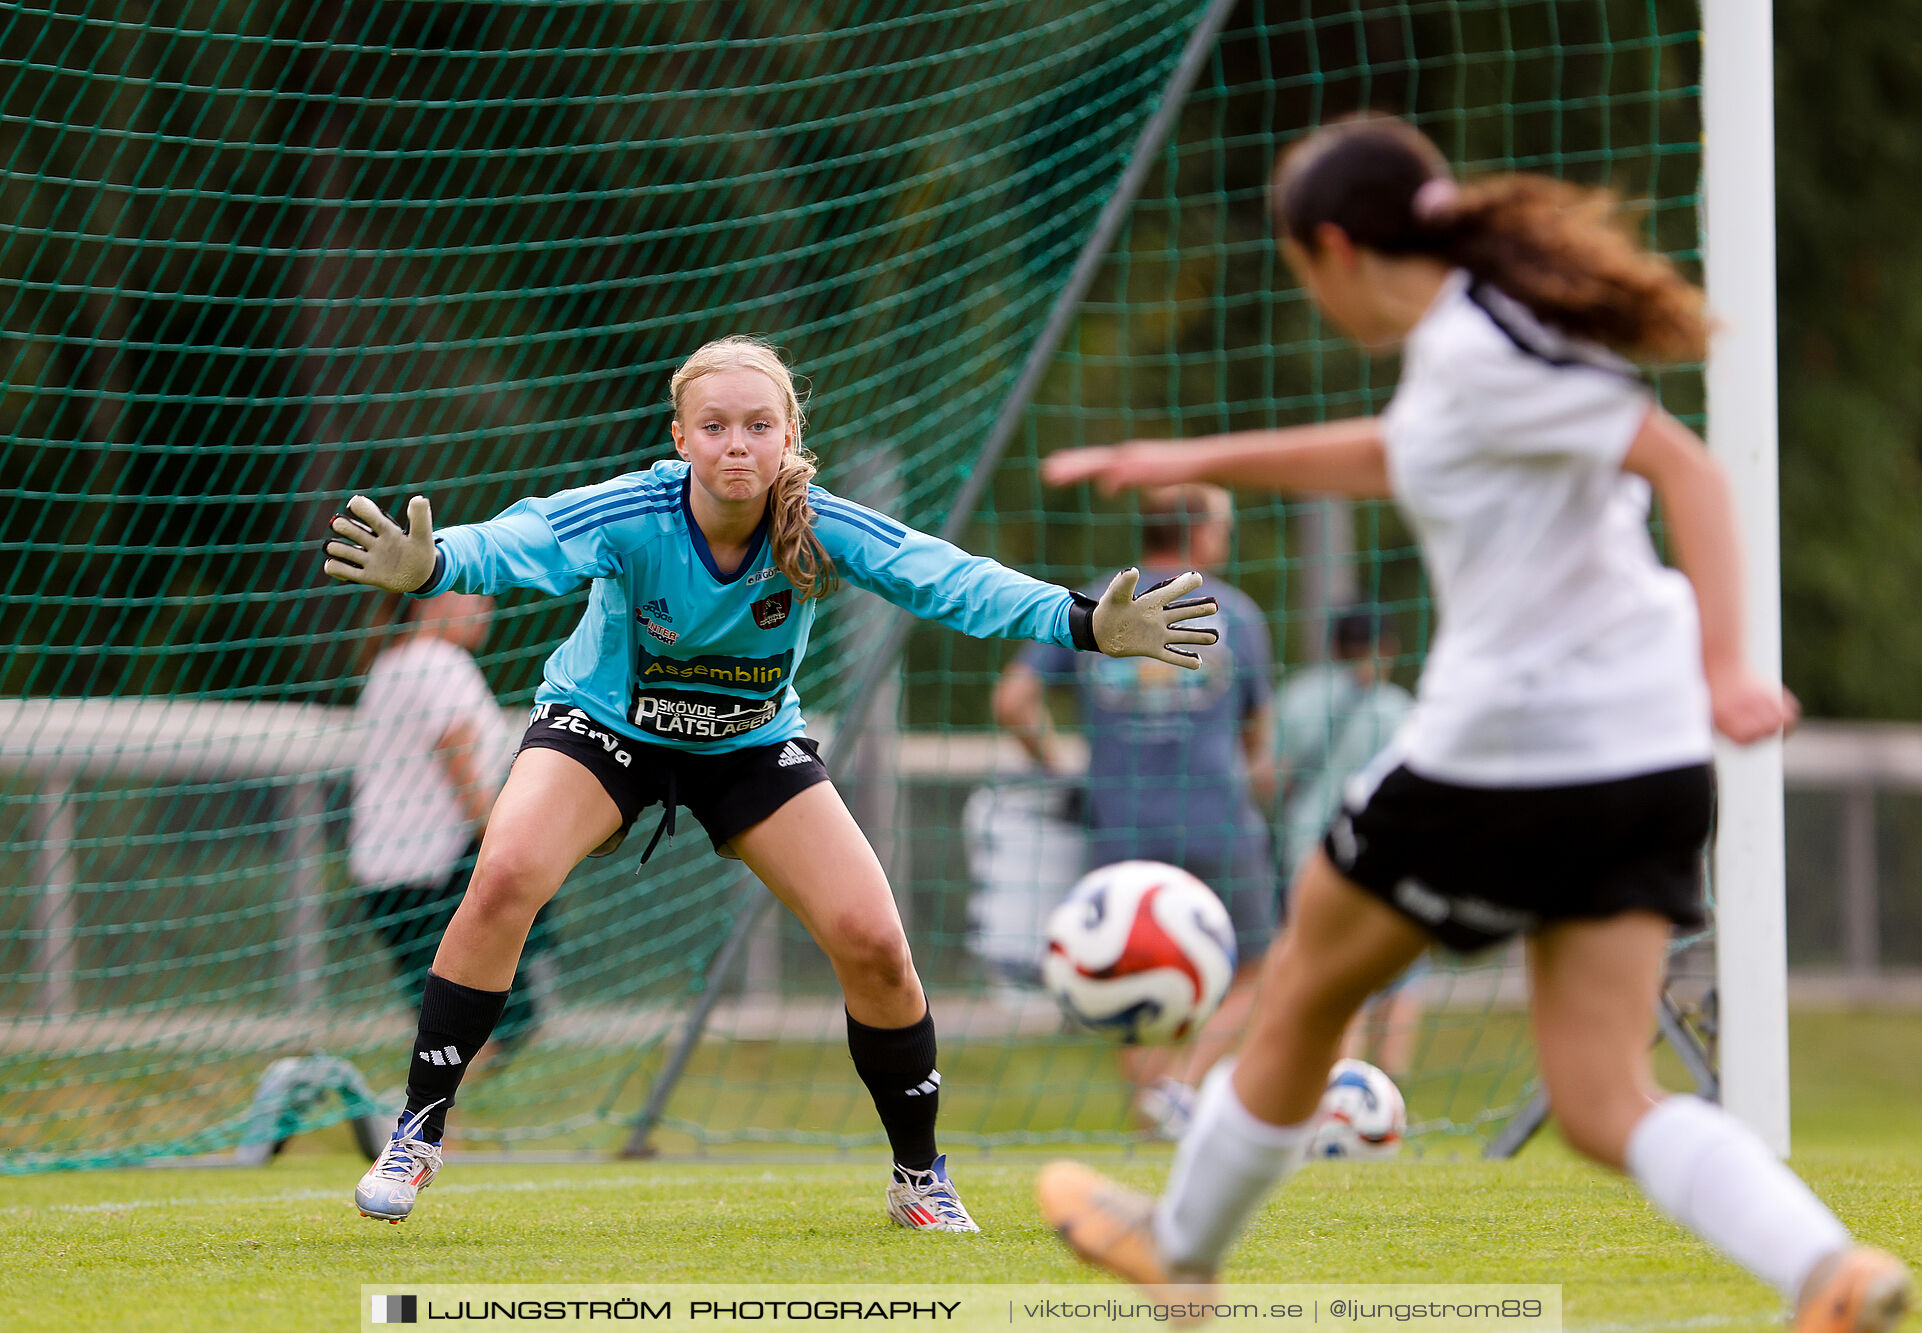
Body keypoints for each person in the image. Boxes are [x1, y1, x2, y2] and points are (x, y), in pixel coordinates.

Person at [1034, 117, 1909, 1333]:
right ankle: (1829, 1271)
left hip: (1505, 753)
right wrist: (1188, 454)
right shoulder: (1486, 339)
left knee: (1298, 988)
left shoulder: (1480, 348)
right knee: (1602, 1099)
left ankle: (1177, 1250)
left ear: (1333, 247)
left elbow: (1686, 470)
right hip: (1641, 758)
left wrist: (1730, 664)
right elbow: (1401, 455)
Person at [320, 335, 1220, 1234]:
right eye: (714, 425)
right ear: (680, 437)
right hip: (604, 732)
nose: (736, 444)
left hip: (751, 747)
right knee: (507, 872)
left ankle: (919, 1174)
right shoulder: (635, 512)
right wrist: (438, 566)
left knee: (873, 939)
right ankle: (419, 1128)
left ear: (791, 435)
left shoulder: (822, 524)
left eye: (758, 424)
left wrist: (1081, 622)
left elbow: (947, 577)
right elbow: (528, 539)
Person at [991, 483, 1277, 1136]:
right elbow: (1258, 734)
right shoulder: (1233, 612)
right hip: (1216, 816)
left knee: (1130, 965)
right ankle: (1186, 1082)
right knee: (1264, 964)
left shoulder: (1097, 602)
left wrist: (1058, 762)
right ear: (1201, 534)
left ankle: (1155, 1112)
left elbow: (1013, 700)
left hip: (1119, 822)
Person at [350, 591, 554, 1061]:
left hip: (385, 876)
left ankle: (429, 1130)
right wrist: (502, 847)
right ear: (429, 601)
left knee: (447, 1028)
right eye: (473, 598)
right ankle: (404, 1123)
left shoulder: (389, 662)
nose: (487, 610)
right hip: (438, 874)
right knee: (488, 1026)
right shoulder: (441, 662)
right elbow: (459, 761)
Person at [1272, 606, 1419, 1077]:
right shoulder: (1400, 709)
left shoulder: (1298, 698)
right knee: (1401, 976)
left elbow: (1271, 781)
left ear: (1334, 646)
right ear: (1387, 648)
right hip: (1386, 856)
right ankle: (1386, 1088)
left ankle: (1338, 1082)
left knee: (1330, 974)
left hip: (1308, 854)